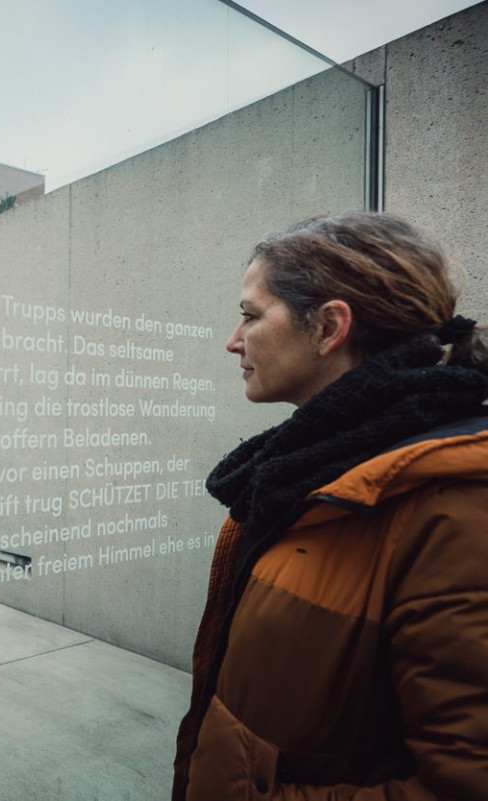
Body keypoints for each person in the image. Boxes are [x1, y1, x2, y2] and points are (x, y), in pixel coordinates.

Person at [172, 212, 488, 800]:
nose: (233, 340)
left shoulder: (455, 506)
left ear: (328, 326)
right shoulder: (310, 469)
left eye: (250, 314)